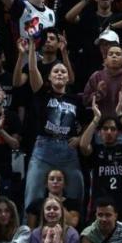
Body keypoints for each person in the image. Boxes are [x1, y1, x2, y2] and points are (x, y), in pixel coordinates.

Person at [23, 38, 84, 212]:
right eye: (55, 71)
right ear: (48, 77)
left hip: (68, 150)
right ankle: (29, 235)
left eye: (63, 72)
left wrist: (80, 138)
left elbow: (89, 121)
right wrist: (32, 49)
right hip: (44, 149)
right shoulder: (43, 94)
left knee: (76, 194)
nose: (59, 74)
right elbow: (33, 69)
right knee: (32, 196)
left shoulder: (76, 100)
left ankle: (74, 235)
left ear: (68, 78)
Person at [79, 94, 122, 226]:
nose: (109, 132)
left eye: (113, 129)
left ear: (118, 132)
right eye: (105, 129)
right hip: (99, 206)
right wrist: (96, 119)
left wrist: (120, 114)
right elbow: (83, 146)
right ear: (99, 132)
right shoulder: (96, 150)